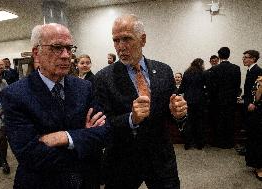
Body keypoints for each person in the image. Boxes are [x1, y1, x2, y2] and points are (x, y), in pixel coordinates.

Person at [1, 23, 110, 189]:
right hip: (42, 183)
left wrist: (64, 137)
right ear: (36, 54)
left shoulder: (84, 87)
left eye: (69, 48)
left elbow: (104, 132)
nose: (67, 55)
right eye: (57, 47)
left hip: (86, 181)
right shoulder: (15, 94)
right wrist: (83, 138)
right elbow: (30, 155)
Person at [94, 14, 187, 189]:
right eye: (116, 40)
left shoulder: (164, 71)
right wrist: (131, 119)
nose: (120, 47)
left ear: (142, 40)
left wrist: (178, 113)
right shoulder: (103, 78)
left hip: (160, 157)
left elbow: (171, 112)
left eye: (127, 39)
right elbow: (103, 123)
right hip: (122, 160)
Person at [209, 47, 241, 149]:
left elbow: (212, 87)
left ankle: (218, 142)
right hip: (231, 100)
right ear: (229, 55)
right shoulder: (236, 68)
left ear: (219, 56)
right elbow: (237, 85)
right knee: (230, 121)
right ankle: (229, 142)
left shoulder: (214, 69)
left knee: (217, 121)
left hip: (217, 100)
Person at [178, 58, 206, 150]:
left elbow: (182, 88)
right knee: (199, 122)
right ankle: (199, 144)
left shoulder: (187, 73)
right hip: (200, 101)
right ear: (200, 64)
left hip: (189, 100)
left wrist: (175, 93)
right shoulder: (203, 73)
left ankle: (187, 144)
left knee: (188, 122)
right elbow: (207, 87)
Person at [245, 76, 262, 181]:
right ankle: (259, 167)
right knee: (258, 140)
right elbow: (255, 97)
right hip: (259, 113)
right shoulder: (259, 81)